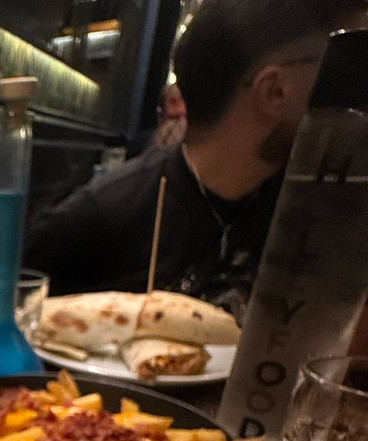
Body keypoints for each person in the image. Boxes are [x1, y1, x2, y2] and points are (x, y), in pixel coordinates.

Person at [23, 0, 368, 323]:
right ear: (274, 90)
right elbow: (10, 317)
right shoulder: (101, 215)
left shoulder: (313, 220)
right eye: (347, 67)